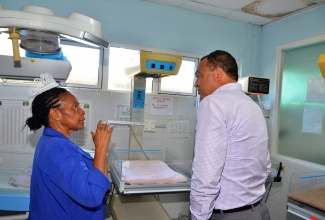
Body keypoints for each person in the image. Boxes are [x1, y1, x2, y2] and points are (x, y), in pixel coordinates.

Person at [190, 50, 271, 220]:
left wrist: (198, 216)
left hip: (228, 214)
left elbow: (206, 174)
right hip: (258, 210)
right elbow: (266, 165)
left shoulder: (213, 104)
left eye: (199, 76)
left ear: (218, 74)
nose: (196, 83)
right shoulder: (252, 106)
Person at [24, 73, 114, 220]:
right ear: (55, 114)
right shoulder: (58, 148)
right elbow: (92, 196)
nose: (82, 111)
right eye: (75, 107)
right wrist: (101, 147)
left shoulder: (52, 141)